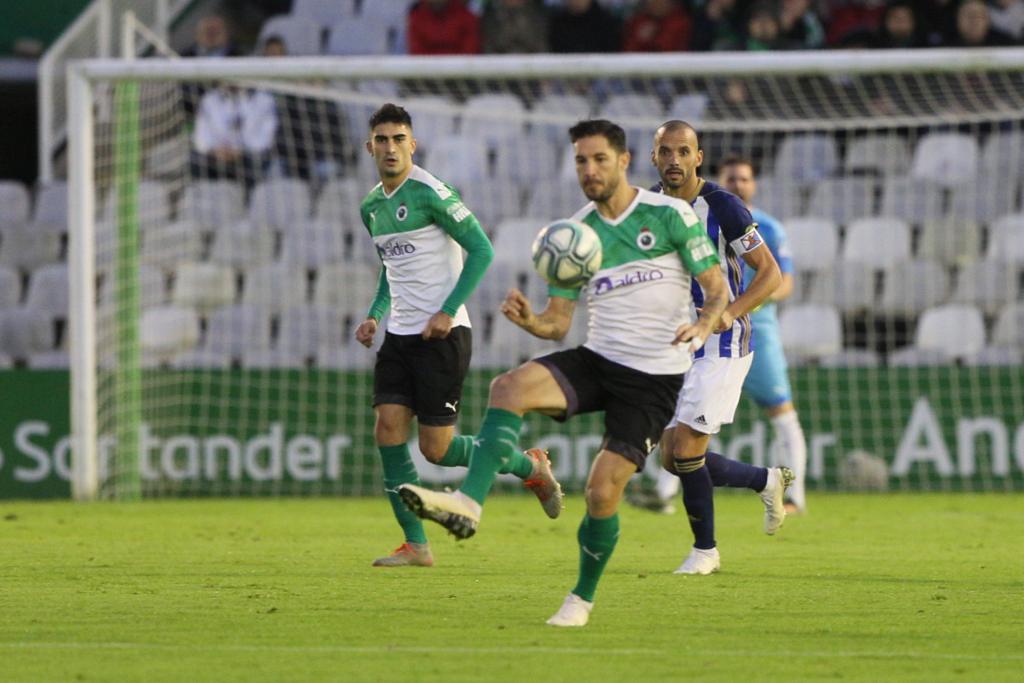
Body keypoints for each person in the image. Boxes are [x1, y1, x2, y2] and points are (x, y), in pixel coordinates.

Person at [399, 119, 730, 627]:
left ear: (623, 161)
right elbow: (558, 324)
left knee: (600, 492)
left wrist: (705, 324)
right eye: (581, 160)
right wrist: (531, 320)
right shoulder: (576, 233)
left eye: (599, 160)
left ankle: (580, 599)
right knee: (507, 387)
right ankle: (467, 503)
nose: (589, 170)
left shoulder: (670, 215)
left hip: (652, 378)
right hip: (599, 358)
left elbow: (715, 287)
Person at [356, 104, 561, 568]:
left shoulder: (431, 192)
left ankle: (531, 467)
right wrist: (374, 315)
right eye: (382, 140)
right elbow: (392, 268)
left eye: (399, 139)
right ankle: (416, 545)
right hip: (400, 337)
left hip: (443, 337)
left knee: (439, 449)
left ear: (413, 144)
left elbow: (482, 250)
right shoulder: (371, 206)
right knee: (387, 429)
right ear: (370, 147)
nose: (390, 148)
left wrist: (448, 311)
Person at [649, 120, 790, 577]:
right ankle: (764, 480)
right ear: (654, 157)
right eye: (665, 151)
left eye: (682, 151)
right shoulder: (645, 207)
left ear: (698, 156)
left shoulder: (724, 207)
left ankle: (705, 551)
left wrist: (731, 311)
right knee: (672, 458)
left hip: (724, 342)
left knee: (688, 447)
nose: (674, 160)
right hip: (676, 344)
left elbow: (769, 273)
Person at [718, 155, 808, 514]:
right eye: (731, 178)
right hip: (716, 330)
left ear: (753, 184)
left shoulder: (769, 228)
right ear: (719, 181)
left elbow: (785, 284)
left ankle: (796, 498)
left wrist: (747, 303)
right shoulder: (705, 223)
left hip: (760, 331)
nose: (738, 184)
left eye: (744, 178)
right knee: (694, 411)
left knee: (782, 411)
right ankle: (664, 494)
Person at [189, 83, 277, 185]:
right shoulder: (210, 99)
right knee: (195, 160)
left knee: (260, 161)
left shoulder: (264, 99)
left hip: (247, 158)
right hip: (216, 156)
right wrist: (217, 150)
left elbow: (266, 139)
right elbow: (201, 138)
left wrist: (239, 150)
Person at [407, 0, 481, 55]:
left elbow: (470, 52)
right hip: (425, 71)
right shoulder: (416, 17)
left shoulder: (467, 17)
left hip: (461, 71)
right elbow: (417, 53)